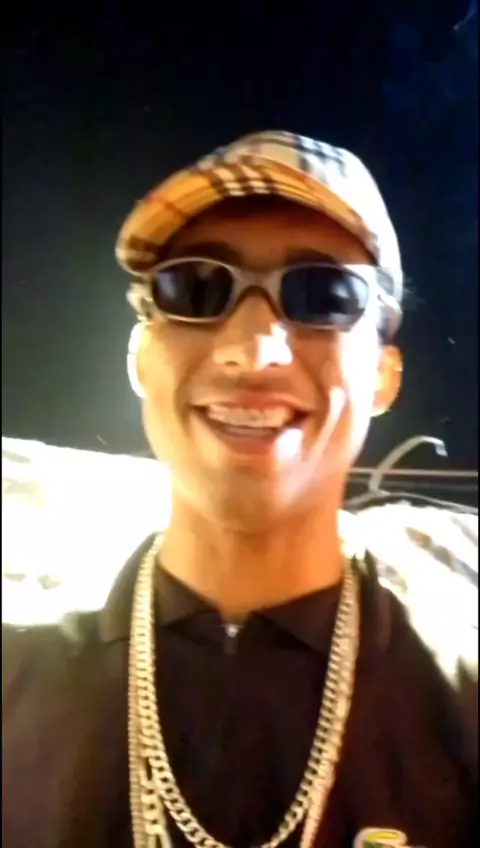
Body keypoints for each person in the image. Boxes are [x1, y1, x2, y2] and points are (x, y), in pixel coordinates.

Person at [2, 131, 477, 848]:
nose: (254, 351)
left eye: (323, 295)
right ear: (141, 356)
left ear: (383, 377)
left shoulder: (462, 712)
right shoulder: (16, 694)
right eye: (195, 288)